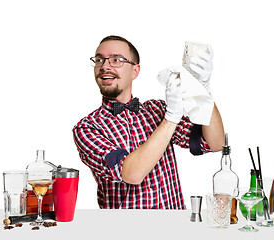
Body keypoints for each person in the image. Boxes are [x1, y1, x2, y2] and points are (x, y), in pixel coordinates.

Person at [73, 35, 225, 209]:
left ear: (135, 71)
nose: (105, 66)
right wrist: (171, 119)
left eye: (116, 60)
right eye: (100, 59)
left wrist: (203, 91)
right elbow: (132, 174)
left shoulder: (157, 110)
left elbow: (214, 143)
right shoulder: (87, 128)